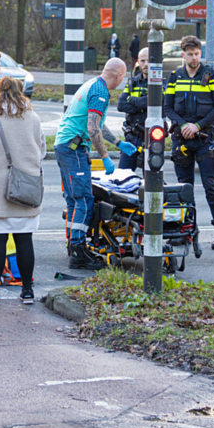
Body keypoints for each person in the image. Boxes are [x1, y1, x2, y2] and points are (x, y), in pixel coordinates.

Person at [53, 58, 136, 270]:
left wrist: (118, 142)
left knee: (74, 200)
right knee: (83, 199)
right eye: (123, 77)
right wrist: (106, 157)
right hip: (74, 148)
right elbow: (92, 129)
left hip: (65, 146)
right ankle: (79, 252)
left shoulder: (91, 84)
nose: (122, 81)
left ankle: (74, 246)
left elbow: (97, 123)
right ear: (118, 76)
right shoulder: (100, 93)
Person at [0, 77, 45, 305]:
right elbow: (41, 149)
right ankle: (27, 291)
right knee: (25, 240)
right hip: (26, 190)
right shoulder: (33, 117)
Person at [163, 35, 214, 251]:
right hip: (181, 139)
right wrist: (182, 125)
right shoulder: (175, 77)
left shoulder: (210, 76)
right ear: (182, 55)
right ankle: (186, 230)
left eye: (197, 53)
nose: (194, 58)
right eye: (190, 54)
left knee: (211, 185)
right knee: (184, 188)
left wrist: (197, 126)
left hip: (204, 139)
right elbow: (167, 107)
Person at [117, 47, 148, 171]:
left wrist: (132, 101)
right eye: (142, 61)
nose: (146, 64)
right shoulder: (133, 82)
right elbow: (121, 105)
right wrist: (142, 106)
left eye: (149, 61)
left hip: (152, 139)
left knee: (152, 181)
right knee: (122, 176)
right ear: (138, 62)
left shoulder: (161, 82)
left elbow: (156, 102)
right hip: (132, 137)